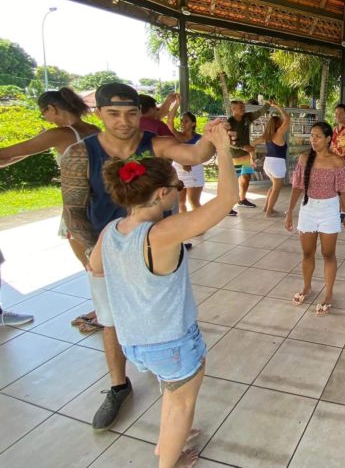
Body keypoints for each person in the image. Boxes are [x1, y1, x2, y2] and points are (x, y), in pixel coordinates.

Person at [61, 82, 225, 431]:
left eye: (131, 113)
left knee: (164, 314)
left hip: (155, 246)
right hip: (109, 248)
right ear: (99, 114)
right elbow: (73, 212)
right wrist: (96, 258)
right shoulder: (80, 153)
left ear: (141, 113)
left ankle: (170, 371)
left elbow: (195, 156)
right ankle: (118, 385)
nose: (124, 121)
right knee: (111, 320)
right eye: (114, 113)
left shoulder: (154, 144)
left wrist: (214, 135)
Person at [88, 123, 235, 468]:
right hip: (170, 340)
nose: (179, 189)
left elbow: (96, 268)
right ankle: (170, 461)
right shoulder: (162, 233)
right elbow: (227, 200)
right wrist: (224, 151)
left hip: (135, 340)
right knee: (182, 403)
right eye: (175, 186)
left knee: (172, 393)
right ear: (159, 195)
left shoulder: (111, 231)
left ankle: (168, 444)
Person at [0, 87, 101, 328]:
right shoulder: (94, 130)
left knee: (91, 265)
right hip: (100, 204)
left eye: (43, 112)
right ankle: (105, 311)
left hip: (77, 208)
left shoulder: (60, 134)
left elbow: (7, 153)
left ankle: (103, 313)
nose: (44, 117)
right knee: (101, 260)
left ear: (52, 109)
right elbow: (18, 156)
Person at [284, 122, 345, 316]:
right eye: (312, 136)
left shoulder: (338, 162)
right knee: (307, 253)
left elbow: (343, 190)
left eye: (318, 136)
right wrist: (289, 211)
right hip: (308, 209)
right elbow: (297, 186)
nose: (313, 140)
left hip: (330, 210)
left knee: (328, 254)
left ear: (329, 139)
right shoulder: (305, 158)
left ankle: (328, 294)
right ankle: (307, 287)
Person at [228, 99, 269, 210]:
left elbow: (259, 112)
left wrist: (268, 104)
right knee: (233, 180)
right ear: (233, 109)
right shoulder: (229, 123)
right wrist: (242, 146)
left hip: (246, 155)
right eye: (240, 107)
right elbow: (229, 142)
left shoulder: (247, 117)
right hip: (234, 155)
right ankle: (227, 206)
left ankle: (242, 199)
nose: (243, 108)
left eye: (243, 106)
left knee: (246, 177)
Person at [252, 101, 290, 217]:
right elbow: (287, 119)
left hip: (268, 163)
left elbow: (252, 144)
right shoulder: (278, 133)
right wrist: (277, 106)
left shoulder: (267, 136)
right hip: (277, 164)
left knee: (273, 186)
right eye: (280, 122)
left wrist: (251, 158)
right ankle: (269, 211)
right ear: (278, 124)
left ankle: (266, 208)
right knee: (277, 189)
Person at [166, 98, 204, 213]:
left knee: (193, 201)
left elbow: (203, 155)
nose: (183, 123)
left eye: (186, 121)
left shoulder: (200, 138)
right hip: (179, 170)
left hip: (195, 169)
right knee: (180, 202)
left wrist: (189, 162)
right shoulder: (176, 135)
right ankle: (186, 227)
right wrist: (176, 104)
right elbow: (169, 122)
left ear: (193, 124)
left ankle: (200, 225)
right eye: (182, 121)